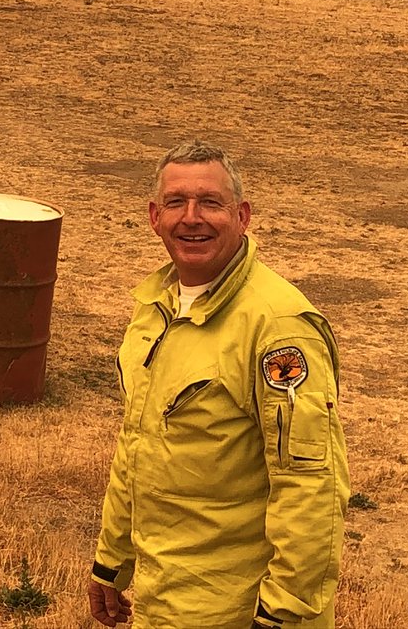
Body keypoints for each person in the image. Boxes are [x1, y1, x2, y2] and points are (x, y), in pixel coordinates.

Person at [87, 140, 351, 628]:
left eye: (210, 203)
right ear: (153, 217)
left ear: (242, 215)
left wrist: (281, 616)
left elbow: (311, 485)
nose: (192, 217)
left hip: (237, 611)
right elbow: (136, 446)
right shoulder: (156, 308)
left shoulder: (278, 327)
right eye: (176, 203)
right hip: (162, 600)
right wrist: (112, 561)